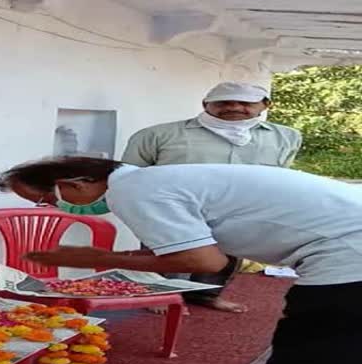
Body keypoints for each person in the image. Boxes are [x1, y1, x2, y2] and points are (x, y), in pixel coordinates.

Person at [0, 155, 362, 364]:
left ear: (74, 183)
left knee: (328, 347)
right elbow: (195, 250)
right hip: (339, 245)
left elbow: (206, 263)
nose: (49, 207)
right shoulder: (147, 182)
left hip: (349, 250)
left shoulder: (136, 193)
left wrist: (103, 258)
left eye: (45, 199)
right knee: (300, 332)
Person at [121, 82, 303, 313]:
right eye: (223, 102)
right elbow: (128, 175)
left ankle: (206, 295)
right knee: (171, 253)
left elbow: (278, 174)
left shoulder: (287, 137)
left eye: (245, 103)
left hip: (239, 210)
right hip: (172, 209)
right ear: (206, 105)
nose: (234, 107)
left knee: (225, 256)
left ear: (265, 105)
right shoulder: (157, 135)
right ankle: (161, 296)